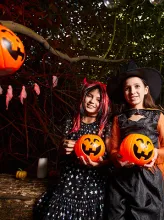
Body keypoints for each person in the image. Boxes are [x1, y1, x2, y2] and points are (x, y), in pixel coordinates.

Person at [33, 78, 112, 220]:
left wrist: (100, 163)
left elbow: (111, 159)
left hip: (93, 185)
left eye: (98, 99)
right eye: (89, 96)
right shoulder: (71, 121)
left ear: (104, 104)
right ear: (83, 97)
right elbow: (61, 150)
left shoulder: (105, 127)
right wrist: (64, 147)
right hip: (68, 183)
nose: (92, 101)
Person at [105, 60, 164, 220]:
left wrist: (155, 153)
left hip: (148, 179)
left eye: (137, 86)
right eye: (127, 88)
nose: (132, 91)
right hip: (122, 180)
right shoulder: (118, 119)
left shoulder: (157, 116)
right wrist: (118, 158)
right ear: (123, 93)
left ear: (145, 90)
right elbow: (113, 150)